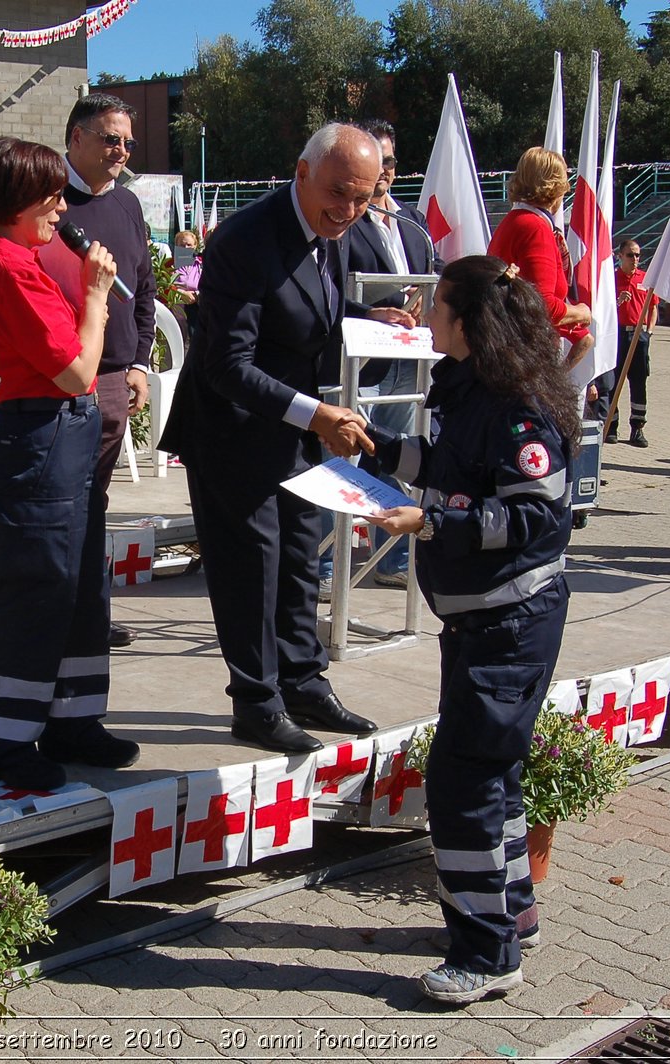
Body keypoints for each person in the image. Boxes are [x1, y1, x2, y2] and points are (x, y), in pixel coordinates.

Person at [363, 255, 577, 1005]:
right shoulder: (471, 386)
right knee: (493, 778)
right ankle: (510, 916)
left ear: (468, 321)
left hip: (509, 622)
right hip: (483, 624)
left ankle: (486, 956)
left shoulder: (519, 409)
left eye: (438, 306)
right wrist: (380, 453)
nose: (426, 317)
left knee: (462, 783)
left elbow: (533, 515)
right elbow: (451, 464)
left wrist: (435, 521)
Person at [158, 123, 382, 756]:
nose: (350, 211)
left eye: (364, 198)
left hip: (298, 434)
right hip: (233, 434)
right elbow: (225, 364)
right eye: (339, 194)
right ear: (302, 173)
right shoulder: (245, 239)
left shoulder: (341, 231)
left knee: (300, 558)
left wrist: (371, 321)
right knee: (251, 568)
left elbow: (309, 317)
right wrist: (316, 416)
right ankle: (256, 702)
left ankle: (304, 682)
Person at [0, 136, 141, 789]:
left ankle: (73, 719)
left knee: (80, 583)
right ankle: (6, 741)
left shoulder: (7, 256)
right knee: (37, 588)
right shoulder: (6, 265)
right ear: (14, 200)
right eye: (50, 195)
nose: (62, 208)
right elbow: (74, 370)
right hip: (41, 430)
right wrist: (94, 295)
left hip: (58, 432)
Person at [37, 94, 156, 651]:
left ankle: (89, 615)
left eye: (128, 142)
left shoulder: (128, 205)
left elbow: (144, 288)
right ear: (76, 137)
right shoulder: (45, 204)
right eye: (111, 139)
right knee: (62, 505)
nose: (122, 151)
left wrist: (139, 362)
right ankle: (60, 616)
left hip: (112, 379)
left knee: (94, 504)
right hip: (59, 379)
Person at [332, 117, 432, 591]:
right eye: (378, 162)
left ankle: (390, 560)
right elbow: (328, 289)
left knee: (392, 461)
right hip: (361, 366)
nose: (385, 171)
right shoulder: (342, 221)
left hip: (407, 367)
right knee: (346, 464)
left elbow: (432, 271)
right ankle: (326, 566)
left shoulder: (412, 222)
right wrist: (369, 312)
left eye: (390, 162)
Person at [487, 147, 592, 368]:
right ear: (556, 186)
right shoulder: (535, 227)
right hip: (526, 356)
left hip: (510, 348)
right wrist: (580, 312)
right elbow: (540, 304)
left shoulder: (514, 221)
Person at [603, 239, 659, 447]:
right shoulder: (611, 280)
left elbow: (653, 307)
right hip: (617, 335)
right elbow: (604, 311)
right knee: (613, 381)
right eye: (630, 255)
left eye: (637, 255)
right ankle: (611, 426)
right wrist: (617, 301)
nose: (635, 259)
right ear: (620, 257)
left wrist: (649, 331)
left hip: (639, 335)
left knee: (638, 382)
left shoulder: (645, 279)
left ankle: (637, 428)